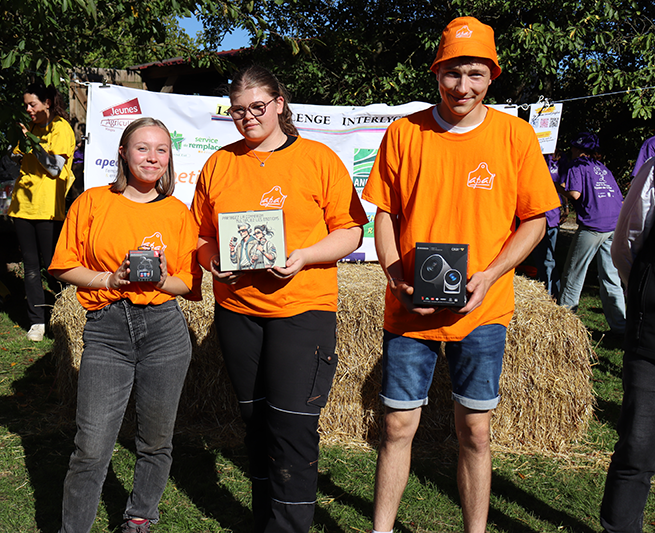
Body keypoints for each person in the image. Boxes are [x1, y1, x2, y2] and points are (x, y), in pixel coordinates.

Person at [361, 17, 560, 533]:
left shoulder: (514, 135)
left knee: (474, 430)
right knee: (398, 425)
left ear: (491, 76)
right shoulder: (405, 131)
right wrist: (394, 277)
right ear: (437, 74)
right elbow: (384, 214)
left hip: (483, 311)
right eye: (452, 73)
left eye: (474, 73)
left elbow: (535, 220)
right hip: (410, 309)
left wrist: (490, 276)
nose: (462, 87)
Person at [191, 65, 367, 533]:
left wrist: (305, 256)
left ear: (279, 104)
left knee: (291, 425)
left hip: (302, 309)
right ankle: (264, 519)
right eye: (237, 111)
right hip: (237, 312)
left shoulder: (318, 158)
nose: (247, 117)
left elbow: (350, 231)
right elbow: (202, 235)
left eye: (257, 107)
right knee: (256, 424)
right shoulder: (218, 164)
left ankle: (288, 528)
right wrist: (213, 262)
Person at [50, 117, 201, 533]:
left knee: (155, 442)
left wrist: (159, 279)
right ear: (122, 152)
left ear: (169, 159)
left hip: (165, 332)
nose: (152, 158)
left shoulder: (177, 212)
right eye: (142, 148)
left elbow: (187, 281)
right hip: (107, 329)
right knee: (92, 446)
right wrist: (109, 280)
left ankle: (139, 518)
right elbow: (64, 264)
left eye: (161, 150)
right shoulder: (93, 202)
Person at [602, 155, 655, 532]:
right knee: (637, 444)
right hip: (650, 337)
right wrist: (643, 296)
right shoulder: (654, 169)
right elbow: (625, 245)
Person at [8, 81, 75, 341]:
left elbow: (54, 168)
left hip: (49, 208)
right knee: (31, 266)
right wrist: (16, 144)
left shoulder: (61, 128)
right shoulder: (31, 128)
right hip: (23, 206)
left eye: (32, 104)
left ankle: (64, 314)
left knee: (53, 266)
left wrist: (32, 142)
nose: (28, 109)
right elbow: (15, 157)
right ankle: (37, 321)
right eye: (25, 105)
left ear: (47, 103)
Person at [558, 132, 626, 334]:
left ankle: (565, 326)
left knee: (573, 274)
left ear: (579, 149)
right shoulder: (603, 168)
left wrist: (557, 188)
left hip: (593, 226)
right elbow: (619, 198)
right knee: (611, 277)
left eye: (572, 147)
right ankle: (621, 327)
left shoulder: (577, 166)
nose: (570, 151)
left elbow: (574, 194)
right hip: (614, 225)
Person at [529, 152, 566, 297]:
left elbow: (561, 185)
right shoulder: (534, 156)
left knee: (549, 259)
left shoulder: (558, 162)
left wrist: (566, 207)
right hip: (536, 215)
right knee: (538, 257)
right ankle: (543, 290)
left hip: (552, 215)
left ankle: (552, 294)